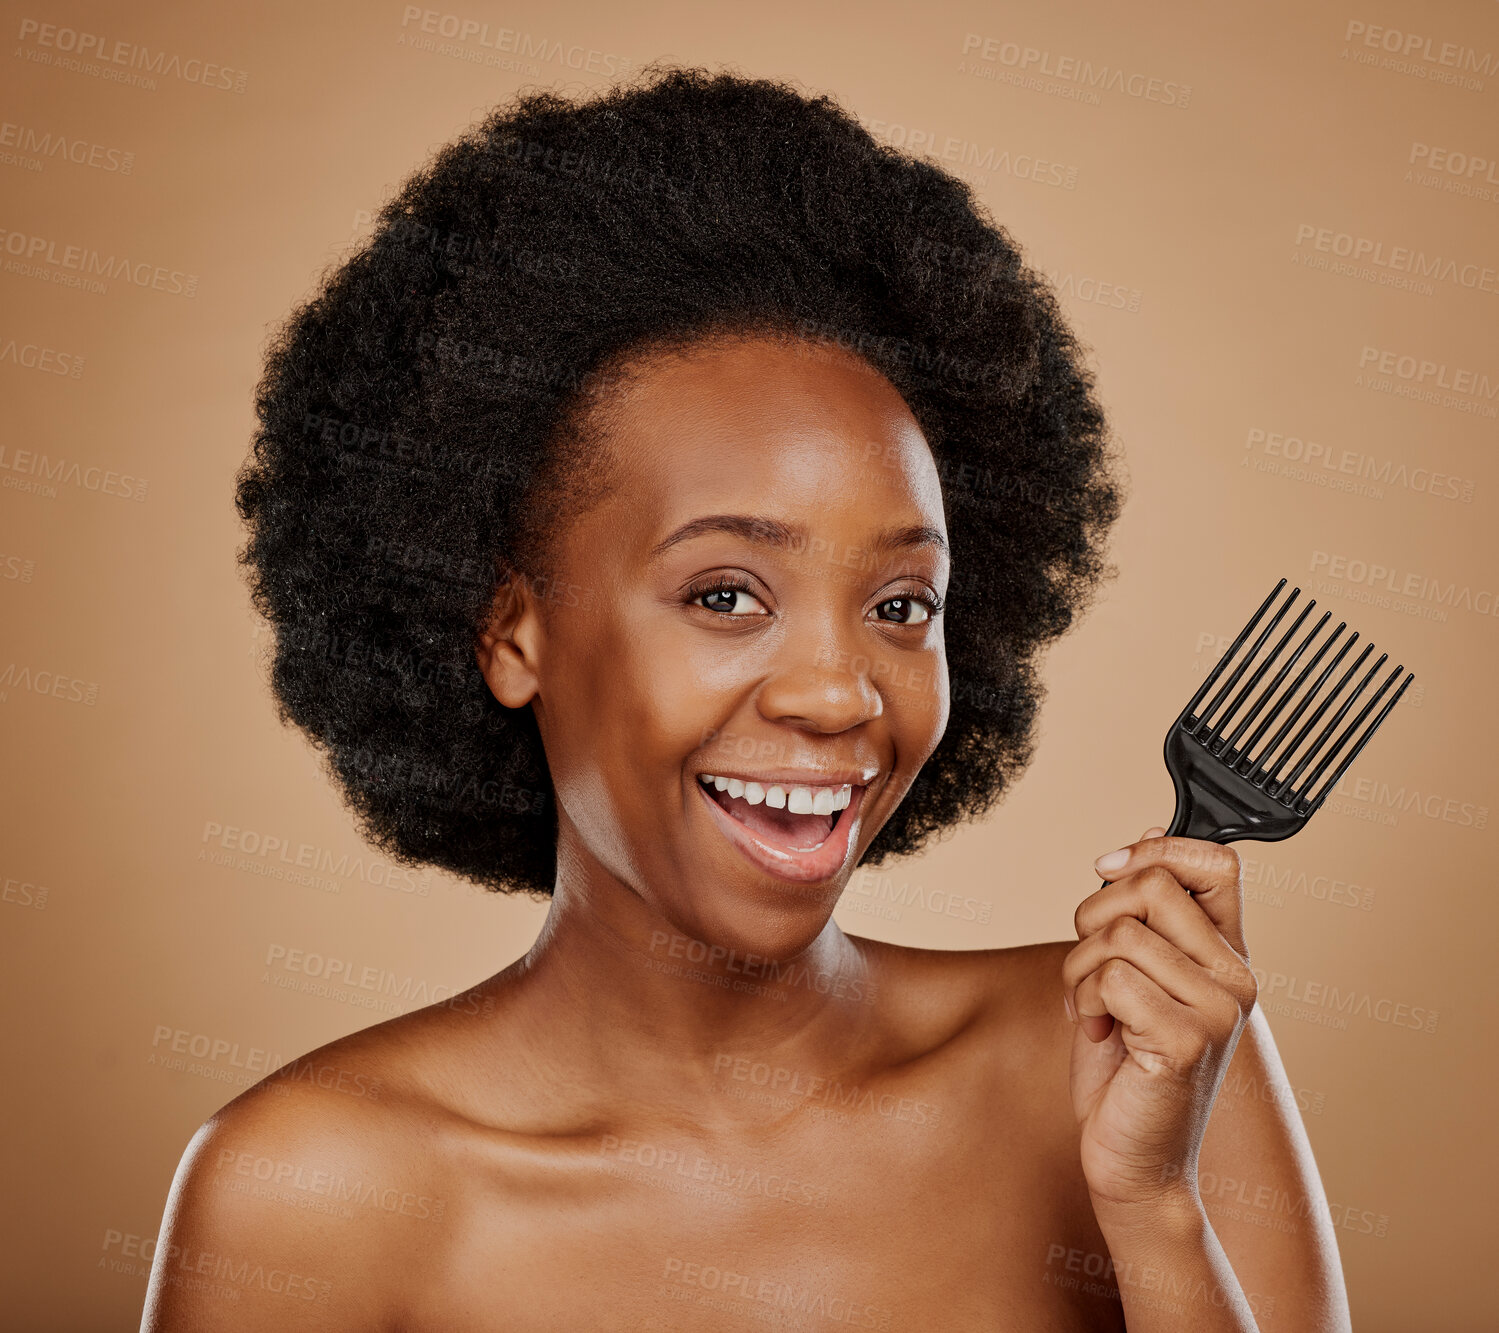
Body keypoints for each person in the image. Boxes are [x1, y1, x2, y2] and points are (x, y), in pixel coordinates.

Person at [142, 63, 1351, 1330]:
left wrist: (1152, 1204)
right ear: (511, 631)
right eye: (724, 594)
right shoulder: (312, 1194)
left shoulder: (1122, 1060)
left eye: (900, 606)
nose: (838, 694)